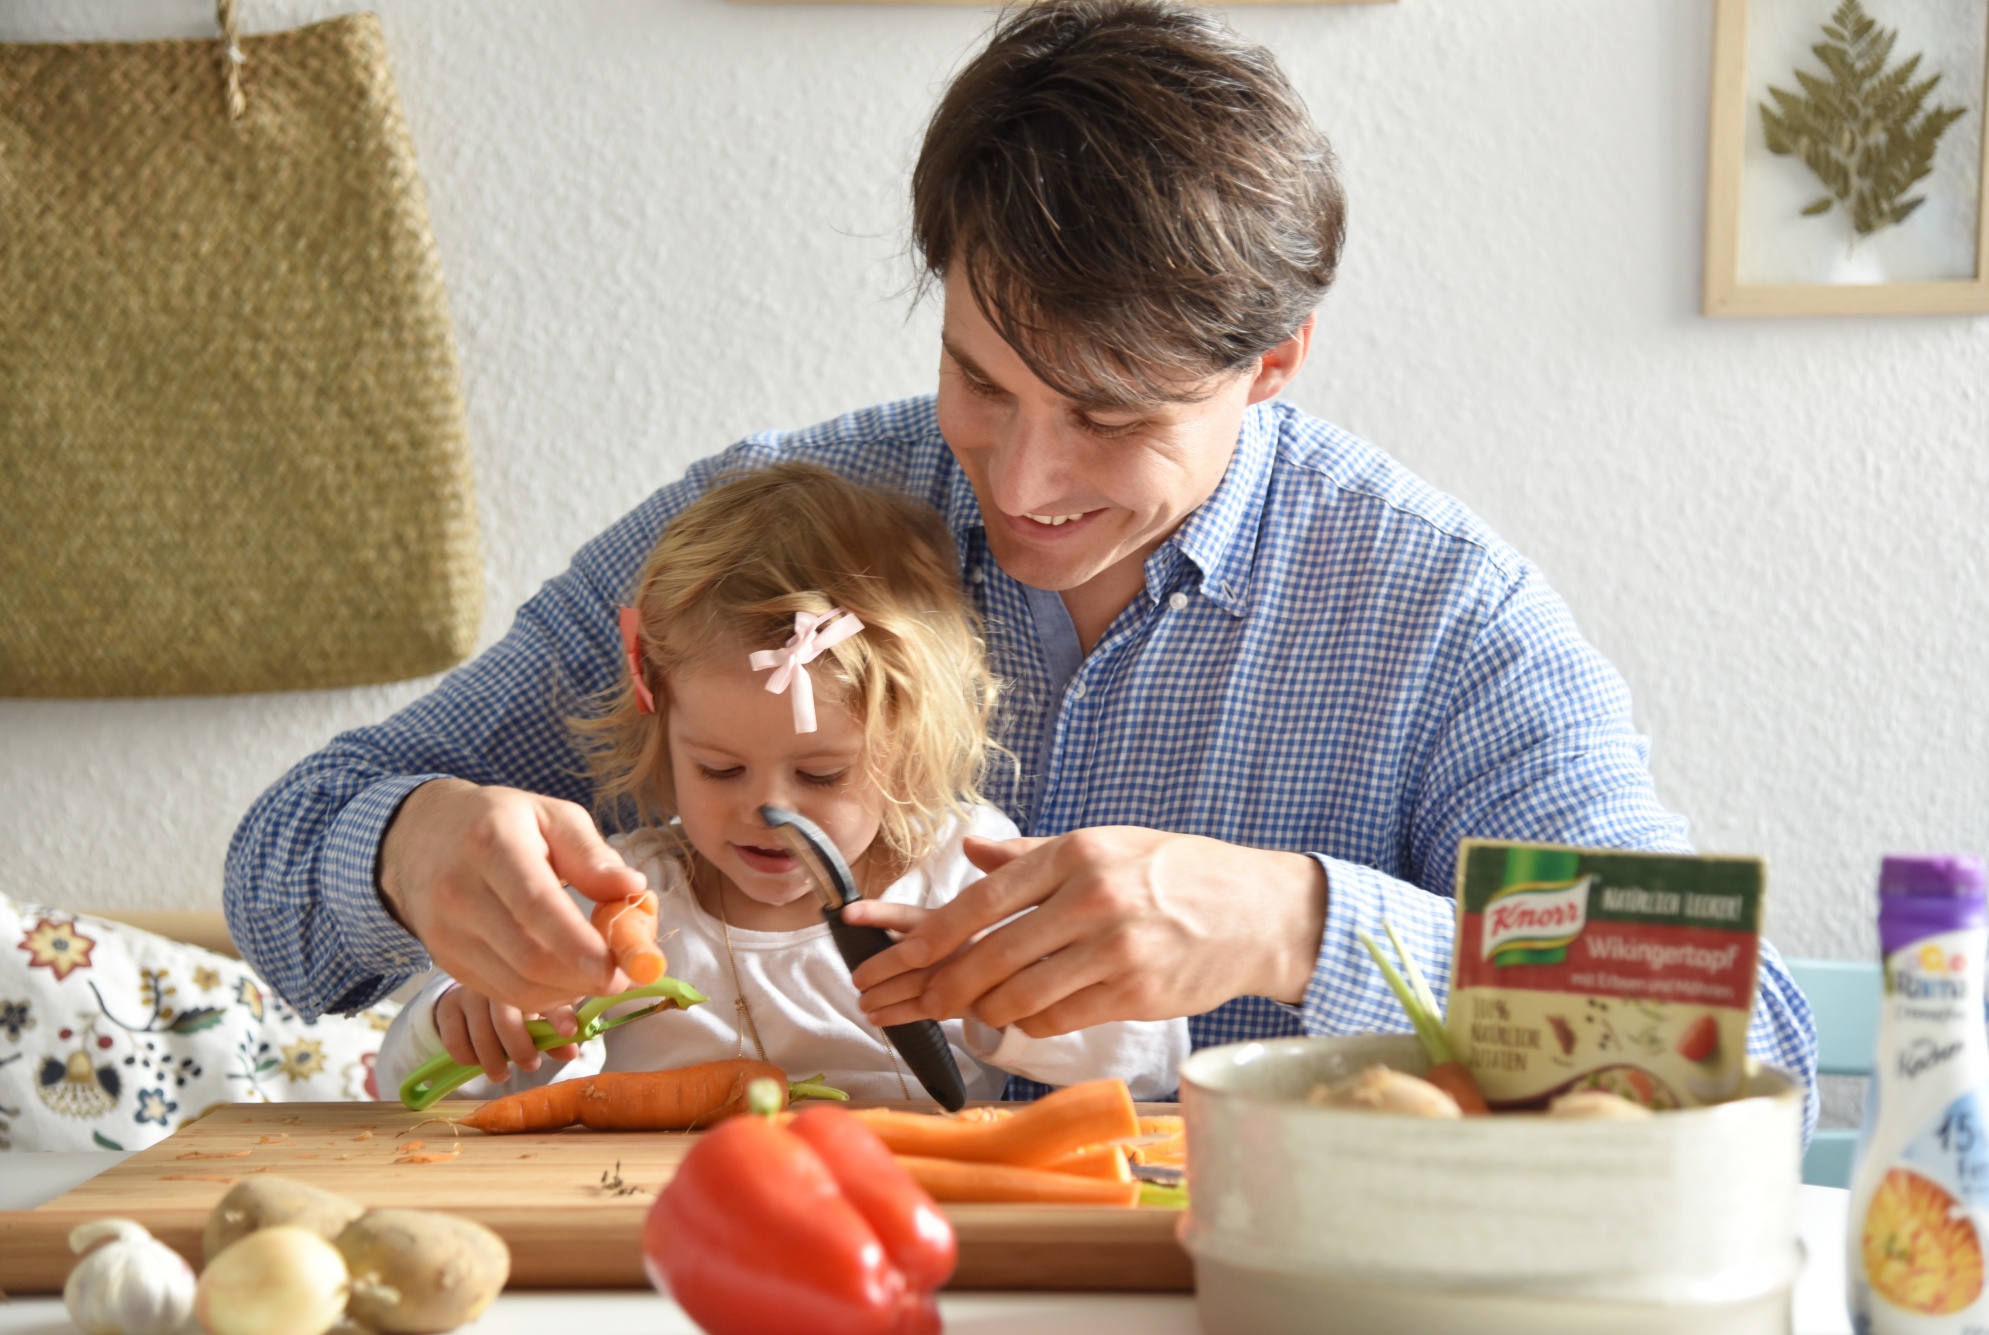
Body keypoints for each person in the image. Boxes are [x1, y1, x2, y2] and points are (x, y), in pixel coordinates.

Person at [226, 0, 1817, 1122]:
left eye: (1113, 414)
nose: (1028, 481)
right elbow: (277, 859)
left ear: (1275, 363)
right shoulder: (767, 537)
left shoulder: (1440, 621)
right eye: (983, 377)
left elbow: (1744, 1034)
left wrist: (1303, 927)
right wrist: (405, 849)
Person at [374, 463, 1187, 1104]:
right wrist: (464, 1018)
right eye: (718, 768)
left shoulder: (959, 879)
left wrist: (996, 989)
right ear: (664, 730)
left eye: (822, 772)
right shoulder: (626, 898)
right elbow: (394, 1081)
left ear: (906, 746)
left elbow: (1150, 1063)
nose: (770, 807)